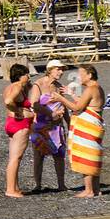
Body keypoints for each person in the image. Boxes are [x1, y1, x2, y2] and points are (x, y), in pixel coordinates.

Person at [62, 64, 106, 197]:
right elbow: (86, 105)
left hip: (88, 128)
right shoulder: (97, 88)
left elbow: (77, 108)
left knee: (85, 155)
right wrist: (72, 95)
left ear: (89, 75)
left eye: (81, 74)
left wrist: (61, 99)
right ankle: (96, 189)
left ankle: (89, 190)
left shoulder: (91, 88)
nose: (78, 77)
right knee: (93, 155)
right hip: (94, 125)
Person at [29, 60, 68, 192]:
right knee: (39, 156)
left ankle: (61, 184)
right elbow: (34, 104)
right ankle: (38, 185)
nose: (61, 72)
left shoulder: (59, 86)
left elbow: (65, 106)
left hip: (57, 126)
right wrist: (51, 113)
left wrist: (69, 124)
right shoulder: (38, 84)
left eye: (62, 69)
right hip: (41, 126)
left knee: (59, 155)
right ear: (50, 69)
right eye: (58, 69)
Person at [3, 63, 36, 198]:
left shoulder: (11, 87)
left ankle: (14, 187)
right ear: (20, 76)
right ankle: (10, 190)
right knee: (15, 158)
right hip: (19, 124)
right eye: (26, 74)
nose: (28, 76)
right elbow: (8, 101)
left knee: (14, 158)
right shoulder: (17, 87)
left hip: (11, 124)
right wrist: (18, 111)